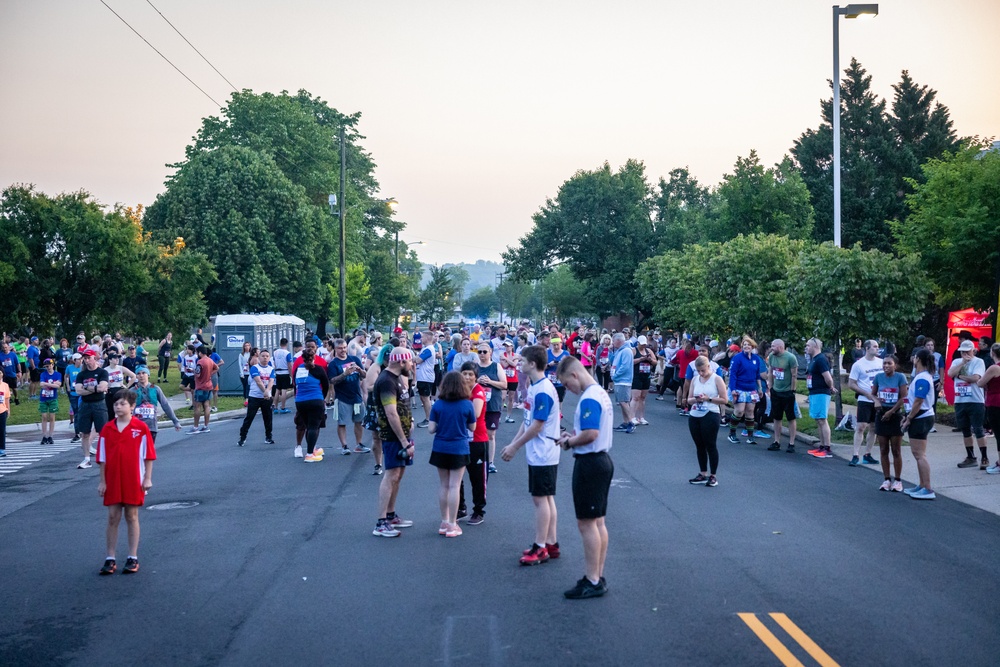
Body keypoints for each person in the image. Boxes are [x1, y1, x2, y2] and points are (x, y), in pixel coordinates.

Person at [555, 355, 613, 599]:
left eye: (567, 384)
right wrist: (574, 436)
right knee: (597, 521)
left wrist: (569, 441)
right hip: (600, 460)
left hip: (590, 462)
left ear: (574, 375)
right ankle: (596, 575)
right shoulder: (599, 393)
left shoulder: (589, 397)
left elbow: (590, 433)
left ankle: (592, 580)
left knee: (587, 523)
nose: (569, 389)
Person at [500, 345, 561, 565]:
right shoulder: (535, 387)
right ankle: (551, 542)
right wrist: (514, 443)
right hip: (539, 451)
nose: (519, 364)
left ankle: (541, 546)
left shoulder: (543, 389)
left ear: (532, 364)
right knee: (546, 498)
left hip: (543, 452)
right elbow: (527, 421)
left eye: (522, 361)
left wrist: (515, 447)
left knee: (540, 499)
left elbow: (537, 425)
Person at [96, 389, 155, 575]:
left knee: (132, 515)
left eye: (122, 404)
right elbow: (102, 458)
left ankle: (132, 557)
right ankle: (110, 557)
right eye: (116, 404)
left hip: (133, 478)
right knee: (113, 516)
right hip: (113, 479)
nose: (118, 407)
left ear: (132, 406)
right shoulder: (107, 429)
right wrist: (102, 482)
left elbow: (149, 456)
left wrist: (147, 478)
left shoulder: (141, 428)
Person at [372, 348, 416, 537]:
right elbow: (391, 413)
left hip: (402, 436)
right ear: (401, 362)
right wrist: (404, 441)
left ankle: (390, 515)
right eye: (410, 362)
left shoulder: (397, 377)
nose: (412, 364)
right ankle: (381, 523)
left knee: (398, 474)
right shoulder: (386, 381)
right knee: (391, 475)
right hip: (393, 437)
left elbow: (401, 405)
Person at [428, 371, 477, 538]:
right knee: (455, 485)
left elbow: (431, 429)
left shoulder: (438, 405)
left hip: (440, 447)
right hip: (459, 448)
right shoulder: (467, 405)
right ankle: (452, 524)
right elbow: (472, 428)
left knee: (443, 485)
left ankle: (443, 521)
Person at [685, 355, 728, 487]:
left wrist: (708, 399)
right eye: (699, 371)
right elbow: (689, 399)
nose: (701, 373)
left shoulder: (717, 379)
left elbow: (724, 400)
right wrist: (696, 399)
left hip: (710, 413)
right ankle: (703, 472)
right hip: (695, 414)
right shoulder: (695, 380)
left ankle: (713, 475)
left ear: (709, 366)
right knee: (699, 445)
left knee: (710, 444)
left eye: (703, 370)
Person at [901, 349, 937, 500]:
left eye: (914, 357)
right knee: (917, 454)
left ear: (917, 359)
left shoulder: (923, 378)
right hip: (920, 416)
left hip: (921, 418)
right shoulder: (921, 377)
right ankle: (922, 484)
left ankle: (927, 488)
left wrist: (909, 418)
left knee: (919, 454)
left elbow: (919, 400)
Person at [458, 361, 489, 525]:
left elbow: (475, 413)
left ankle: (478, 511)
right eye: (465, 373)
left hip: (478, 440)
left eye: (471, 374)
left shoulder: (478, 392)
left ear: (476, 377)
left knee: (477, 477)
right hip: (461, 439)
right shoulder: (459, 391)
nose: (468, 377)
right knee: (458, 476)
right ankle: (460, 507)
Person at [949, 340, 988, 470]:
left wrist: (959, 375)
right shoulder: (956, 362)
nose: (965, 354)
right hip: (960, 401)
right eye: (963, 351)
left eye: (968, 351)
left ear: (973, 350)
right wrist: (962, 363)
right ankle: (970, 457)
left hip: (975, 400)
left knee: (978, 429)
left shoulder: (979, 362)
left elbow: (975, 378)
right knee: (965, 430)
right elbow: (950, 374)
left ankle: (984, 457)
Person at [328, 339, 371, 456]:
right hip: (342, 397)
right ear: (335, 349)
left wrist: (360, 370)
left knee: (359, 421)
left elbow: (364, 375)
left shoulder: (354, 359)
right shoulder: (333, 364)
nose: (343, 350)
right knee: (342, 422)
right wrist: (344, 374)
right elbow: (332, 380)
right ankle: (344, 446)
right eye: (340, 348)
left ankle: (359, 444)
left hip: (356, 396)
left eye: (344, 347)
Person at [872, 356, 907, 492]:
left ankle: (897, 480)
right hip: (881, 413)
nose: (886, 365)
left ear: (895, 366)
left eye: (889, 363)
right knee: (883, 449)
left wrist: (892, 411)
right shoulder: (878, 377)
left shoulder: (900, 377)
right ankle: (886, 479)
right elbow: (873, 394)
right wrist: (876, 401)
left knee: (896, 449)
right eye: (884, 363)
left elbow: (903, 397)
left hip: (895, 414)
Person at [75, 350, 109, 469]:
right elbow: (78, 390)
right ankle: (86, 458)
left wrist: (87, 387)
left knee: (103, 432)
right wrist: (93, 388)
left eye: (89, 357)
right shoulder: (82, 375)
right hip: (85, 405)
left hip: (99, 404)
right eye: (85, 358)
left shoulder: (102, 372)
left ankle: (106, 457)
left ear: (94, 357)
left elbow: (102, 387)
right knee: (84, 433)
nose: (87, 360)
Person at [476, 342, 507, 474]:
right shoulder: (474, 367)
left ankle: (490, 462)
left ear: (490, 352)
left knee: (491, 434)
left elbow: (504, 384)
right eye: (480, 352)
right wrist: (477, 381)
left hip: (493, 404)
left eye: (484, 352)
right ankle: (477, 459)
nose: (482, 354)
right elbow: (465, 382)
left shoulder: (496, 366)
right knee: (476, 433)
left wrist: (489, 382)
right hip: (477, 404)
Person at [294, 349, 330, 463]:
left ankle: (312, 449)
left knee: (308, 426)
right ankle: (309, 454)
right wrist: (322, 398)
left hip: (300, 401)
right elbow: (326, 385)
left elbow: (295, 385)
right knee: (314, 427)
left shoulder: (298, 369)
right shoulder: (318, 369)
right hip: (315, 399)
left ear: (302, 358)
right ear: (314, 357)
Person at [805, 338, 837, 459]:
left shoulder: (821, 359)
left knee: (822, 419)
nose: (806, 347)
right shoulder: (814, 360)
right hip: (814, 392)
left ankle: (827, 448)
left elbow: (828, 378)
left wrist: (831, 387)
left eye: (808, 345)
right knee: (818, 419)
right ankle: (822, 446)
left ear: (815, 346)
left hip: (821, 392)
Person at [132, 366, 182, 441]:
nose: (141, 375)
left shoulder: (155, 389)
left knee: (149, 451)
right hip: (136, 427)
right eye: (138, 373)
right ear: (136, 376)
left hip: (151, 426)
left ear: (148, 375)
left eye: (143, 373)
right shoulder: (132, 391)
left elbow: (165, 405)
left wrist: (175, 421)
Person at [767, 339, 799, 453]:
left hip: (787, 392)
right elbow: (770, 372)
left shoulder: (790, 358)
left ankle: (791, 443)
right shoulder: (771, 356)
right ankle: (777, 441)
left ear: (780, 347)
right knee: (777, 417)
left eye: (773, 346)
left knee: (790, 417)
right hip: (776, 391)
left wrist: (792, 390)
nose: (771, 348)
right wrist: (770, 387)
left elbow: (794, 375)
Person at [239, 349, 275, 448]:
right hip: (255, 396)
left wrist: (267, 392)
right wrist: (265, 392)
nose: (265, 358)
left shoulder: (271, 369)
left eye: (267, 356)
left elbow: (271, 381)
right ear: (259, 357)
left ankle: (268, 436)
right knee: (249, 417)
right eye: (263, 356)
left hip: (266, 398)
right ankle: (242, 437)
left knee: (268, 417)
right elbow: (258, 381)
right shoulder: (255, 368)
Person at [978, 343, 1000, 473]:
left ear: (993, 353)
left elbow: (981, 383)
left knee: (998, 433)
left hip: (995, 402)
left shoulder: (994, 368)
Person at [609, 334, 636, 434]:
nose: (612, 343)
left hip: (623, 380)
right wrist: (610, 352)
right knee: (622, 402)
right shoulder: (619, 351)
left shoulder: (626, 351)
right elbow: (612, 361)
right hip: (619, 380)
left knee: (624, 402)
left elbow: (625, 366)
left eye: (613, 341)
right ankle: (625, 422)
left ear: (619, 341)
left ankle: (630, 422)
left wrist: (615, 375)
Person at [187, 348, 217, 434]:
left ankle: (195, 427)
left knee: (197, 406)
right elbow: (216, 367)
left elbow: (198, 374)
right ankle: (206, 426)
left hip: (200, 386)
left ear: (200, 353)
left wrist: (193, 371)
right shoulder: (210, 360)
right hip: (209, 385)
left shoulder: (200, 362)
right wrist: (209, 374)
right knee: (207, 405)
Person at [630, 336, 656, 426]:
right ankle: (632, 417)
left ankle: (641, 417)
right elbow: (630, 361)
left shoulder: (649, 351)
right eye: (642, 344)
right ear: (638, 343)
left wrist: (649, 359)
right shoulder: (634, 350)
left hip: (646, 375)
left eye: (644, 344)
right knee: (635, 397)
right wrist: (640, 359)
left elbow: (655, 362)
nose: (643, 346)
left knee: (643, 397)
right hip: (636, 376)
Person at [104, 352, 136, 421]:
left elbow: (133, 376)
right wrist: (105, 387)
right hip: (110, 392)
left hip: (120, 390)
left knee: (122, 410)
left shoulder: (120, 368)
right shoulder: (105, 370)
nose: (117, 359)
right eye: (115, 358)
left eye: (118, 358)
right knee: (110, 412)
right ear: (110, 360)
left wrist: (127, 386)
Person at [413, 336, 437, 428]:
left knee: (426, 398)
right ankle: (428, 418)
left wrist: (416, 357)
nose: (421, 338)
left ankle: (429, 419)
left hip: (425, 377)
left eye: (423, 337)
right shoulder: (425, 348)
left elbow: (418, 360)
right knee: (423, 398)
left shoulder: (429, 349)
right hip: (422, 377)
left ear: (427, 338)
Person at [38, 358, 62, 445]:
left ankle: (50, 435)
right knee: (44, 416)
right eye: (46, 366)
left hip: (53, 398)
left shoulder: (57, 374)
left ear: (52, 365)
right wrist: (53, 384)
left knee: (52, 417)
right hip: (43, 398)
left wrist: (47, 384)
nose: (48, 368)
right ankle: (44, 436)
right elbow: (41, 384)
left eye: (49, 366)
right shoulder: (43, 374)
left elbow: (58, 385)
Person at [500, 340, 521, 423]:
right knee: (503, 397)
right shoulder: (502, 354)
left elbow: (514, 364)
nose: (507, 347)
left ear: (512, 346)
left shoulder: (516, 355)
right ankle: (499, 416)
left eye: (508, 346)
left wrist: (506, 359)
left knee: (511, 398)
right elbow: (504, 365)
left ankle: (508, 416)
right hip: (504, 378)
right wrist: (510, 360)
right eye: (505, 346)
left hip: (513, 379)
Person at [272, 338, 294, 414]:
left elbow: (274, 363)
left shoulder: (275, 352)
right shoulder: (287, 353)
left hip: (278, 372)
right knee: (284, 390)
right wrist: (291, 375)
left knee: (277, 390)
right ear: (287, 344)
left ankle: (275, 406)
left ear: (280, 343)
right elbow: (289, 365)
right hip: (285, 372)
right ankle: (283, 407)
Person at [0, 341, 21, 406]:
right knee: (6, 388)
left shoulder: (13, 354)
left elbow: (18, 364)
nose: (5, 349)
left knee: (14, 388)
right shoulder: (0, 355)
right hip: (4, 374)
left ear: (8, 347)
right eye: (3, 348)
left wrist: (19, 372)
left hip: (12, 373)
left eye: (6, 347)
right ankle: (8, 399)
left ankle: (16, 398)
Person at [238, 341, 253, 406]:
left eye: (248, 345)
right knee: (245, 386)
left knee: (248, 386)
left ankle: (247, 399)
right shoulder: (241, 355)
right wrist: (242, 373)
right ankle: (245, 398)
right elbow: (240, 364)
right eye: (245, 346)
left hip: (250, 373)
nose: (247, 347)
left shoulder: (251, 354)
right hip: (244, 373)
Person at [0, 375, 10, 457]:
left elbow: (7, 399)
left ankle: (2, 449)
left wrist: (8, 409)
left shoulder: (5, 385)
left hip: (2, 410)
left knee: (2, 431)